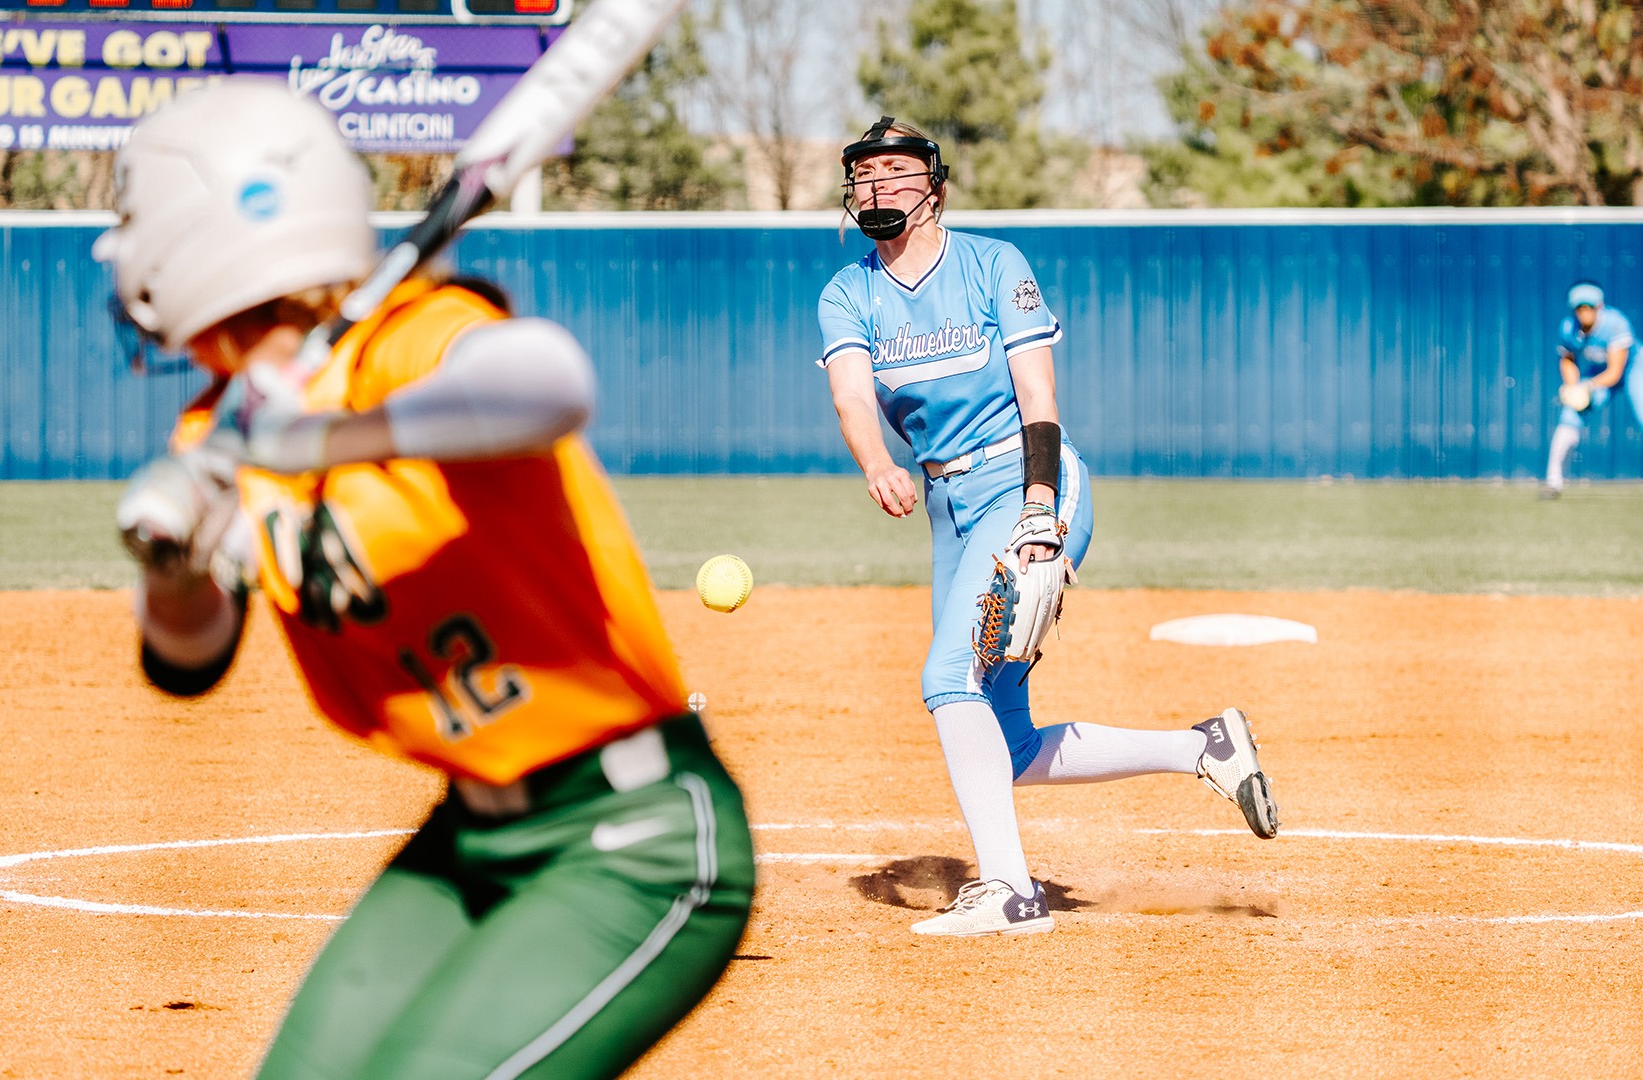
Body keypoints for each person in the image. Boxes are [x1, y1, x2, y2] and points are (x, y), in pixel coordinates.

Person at [99, 79, 753, 1079]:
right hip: (468, 837)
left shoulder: (407, 341)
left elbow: (551, 383)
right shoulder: (221, 430)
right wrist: (175, 570)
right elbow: (188, 663)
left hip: (636, 834)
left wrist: (322, 437)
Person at [814, 117, 1280, 939]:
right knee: (1004, 736)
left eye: (897, 170)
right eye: (865, 174)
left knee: (948, 678)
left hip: (1028, 480)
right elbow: (853, 396)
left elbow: (1040, 400)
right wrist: (873, 461)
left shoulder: (995, 264)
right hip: (949, 507)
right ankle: (1201, 748)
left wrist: (1038, 514)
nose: (878, 186)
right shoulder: (848, 291)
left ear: (935, 185)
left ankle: (1009, 892)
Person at [1543, 281, 1643, 500]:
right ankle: (1553, 483)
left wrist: (1585, 387)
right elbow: (1568, 359)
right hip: (1599, 371)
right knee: (1570, 415)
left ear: (1599, 306)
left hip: (1634, 368)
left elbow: (1615, 372)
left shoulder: (1616, 323)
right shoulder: (1568, 328)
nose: (1584, 313)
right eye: (1579, 308)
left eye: (1588, 307)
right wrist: (1572, 387)